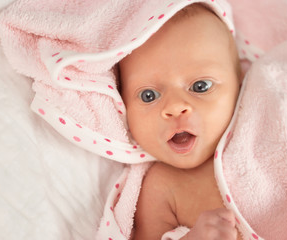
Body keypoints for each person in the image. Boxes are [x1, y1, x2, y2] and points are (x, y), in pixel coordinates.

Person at [119, 3, 243, 240]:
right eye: (149, 96)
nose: (175, 107)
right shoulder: (161, 186)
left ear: (240, 82)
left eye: (200, 86)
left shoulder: (264, 128)